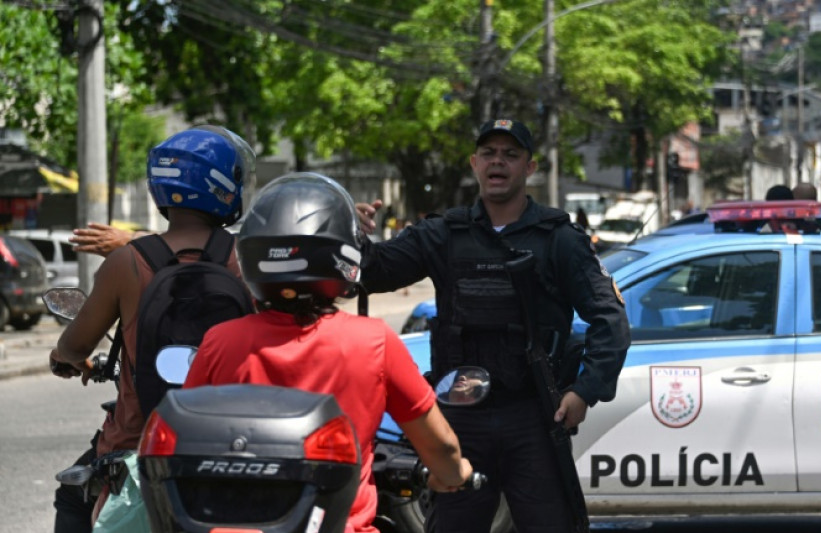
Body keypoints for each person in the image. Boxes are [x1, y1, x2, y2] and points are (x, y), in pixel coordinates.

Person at [354, 119, 631, 533]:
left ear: (529, 168)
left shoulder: (558, 238)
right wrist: (356, 235)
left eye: (510, 154)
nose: (498, 162)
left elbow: (609, 318)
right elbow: (371, 272)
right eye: (489, 153)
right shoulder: (445, 233)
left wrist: (584, 391)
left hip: (534, 418)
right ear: (474, 163)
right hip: (461, 422)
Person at [181, 173, 473, 533]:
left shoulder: (219, 342)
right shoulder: (374, 342)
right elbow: (440, 446)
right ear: (342, 256)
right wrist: (454, 473)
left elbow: (187, 439)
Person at [49, 125, 254, 532]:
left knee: (70, 498)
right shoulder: (246, 259)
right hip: (235, 437)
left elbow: (74, 345)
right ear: (221, 189)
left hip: (141, 442)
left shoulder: (127, 263)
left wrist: (66, 359)